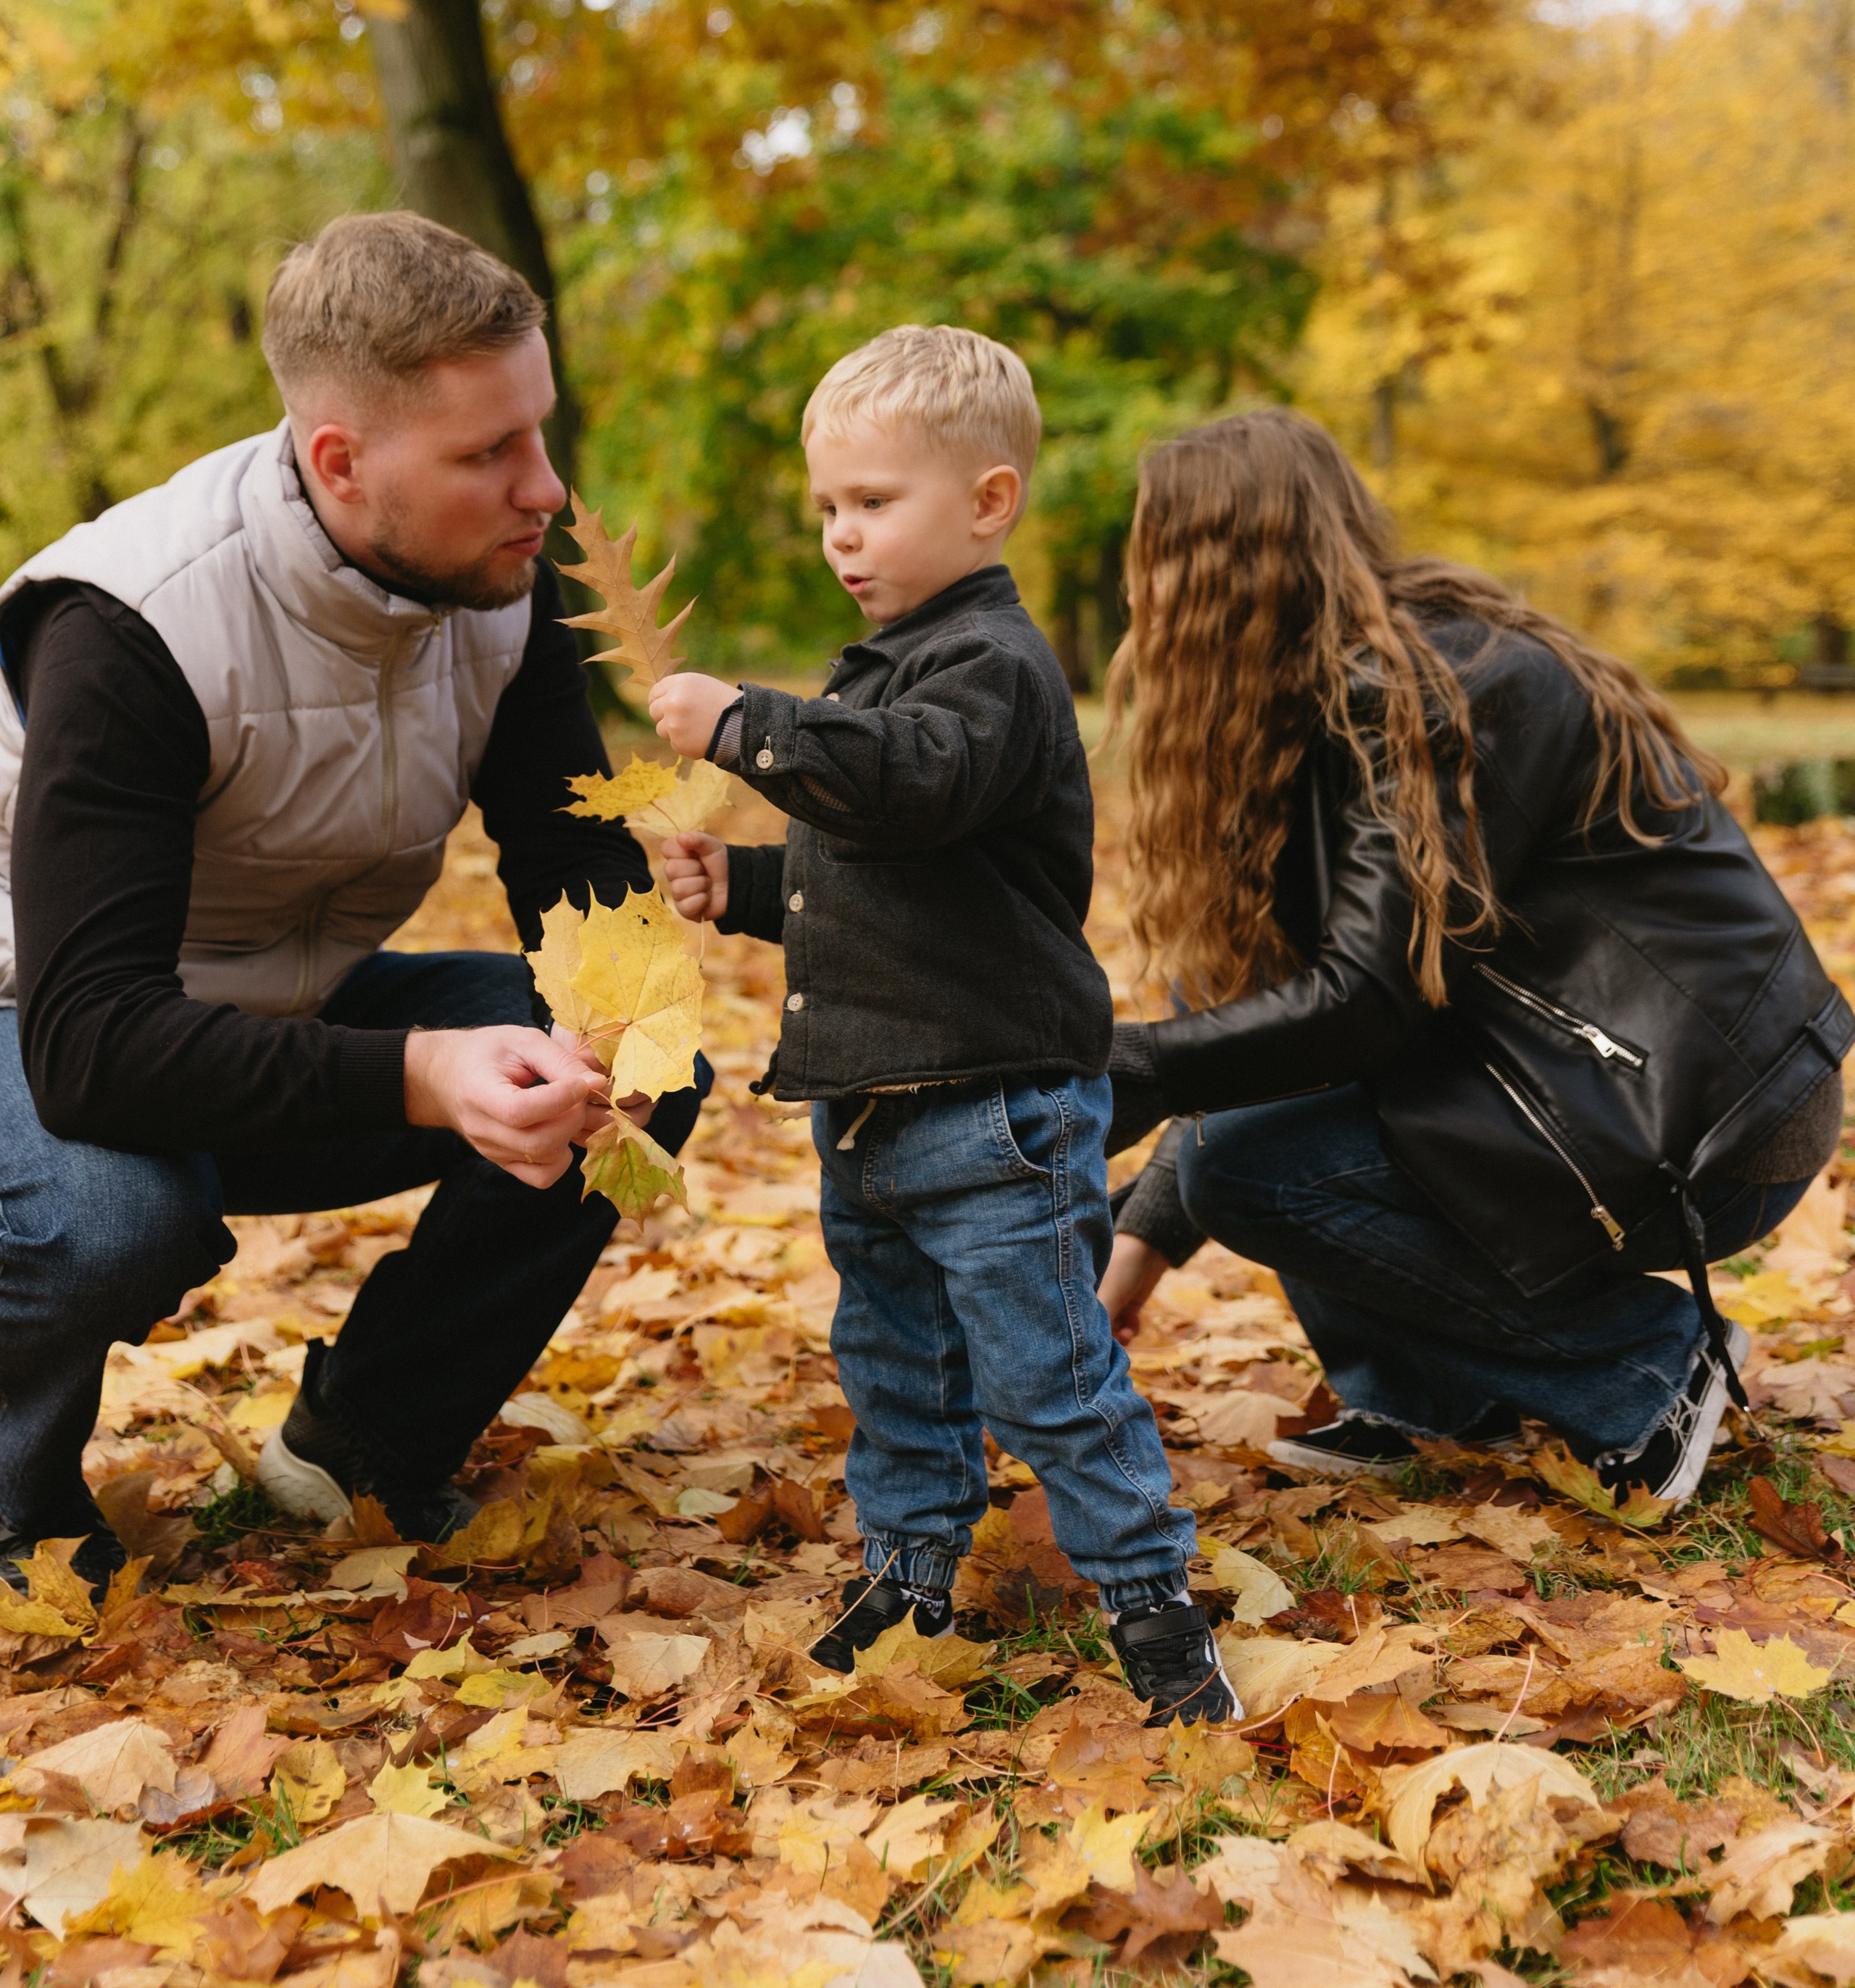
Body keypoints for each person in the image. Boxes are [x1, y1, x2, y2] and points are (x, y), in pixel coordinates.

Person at [0, 213, 705, 1578]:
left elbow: (574, 873)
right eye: (488, 453)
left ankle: (361, 1451)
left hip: (259, 1016)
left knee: (632, 1058)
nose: (545, 488)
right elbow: (89, 1047)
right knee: (106, 1215)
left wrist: (630, 995)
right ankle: (13, 1506)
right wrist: (427, 1073)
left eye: (539, 433)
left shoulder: (497, 587)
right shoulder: (134, 627)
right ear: (341, 461)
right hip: (38, 1039)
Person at [1096, 411, 1852, 1511]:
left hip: (1705, 1115)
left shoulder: (1442, 691)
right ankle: (1433, 1398)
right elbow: (1257, 1025)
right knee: (1242, 1107)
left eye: (1151, 557)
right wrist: (1141, 1247)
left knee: (1248, 1161)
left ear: (1218, 570)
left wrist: (1139, 1069)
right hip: (1561, 1097)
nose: (1139, 597)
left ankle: (1649, 1367)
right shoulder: (1307, 716)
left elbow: (1361, 1007)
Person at [650, 325, 1236, 1726]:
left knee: (1048, 1377)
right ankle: (911, 1570)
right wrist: (743, 886)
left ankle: (1153, 1603)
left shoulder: (990, 672)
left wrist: (750, 726)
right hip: (873, 1109)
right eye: (829, 510)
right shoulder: (887, 668)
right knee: (896, 1363)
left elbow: (914, 786)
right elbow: (880, 879)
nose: (843, 538)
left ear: (987, 503)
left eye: (873, 503)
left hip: (993, 1116)